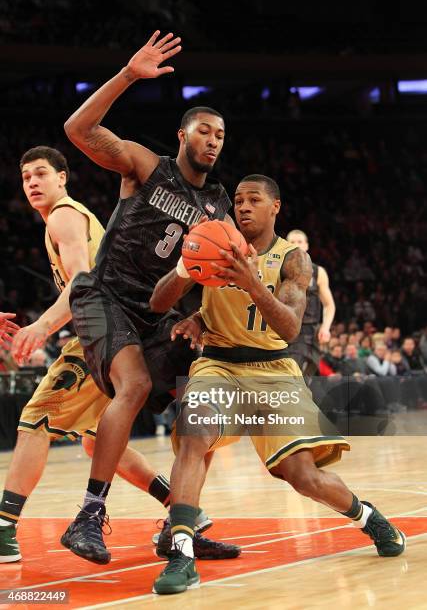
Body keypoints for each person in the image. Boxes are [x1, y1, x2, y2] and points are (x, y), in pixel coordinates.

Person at [149, 174, 405, 595]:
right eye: (238, 200)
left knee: (304, 478)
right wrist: (185, 277)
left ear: (275, 208)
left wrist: (250, 282)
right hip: (219, 365)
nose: (243, 206)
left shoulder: (293, 259)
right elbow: (159, 301)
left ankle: (367, 516)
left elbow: (288, 328)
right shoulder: (215, 241)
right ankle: (181, 552)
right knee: (195, 435)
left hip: (273, 371)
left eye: (254, 199)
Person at [0, 147, 236, 564]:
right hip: (127, 325)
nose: (32, 182)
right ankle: (185, 513)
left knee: (34, 422)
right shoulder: (67, 217)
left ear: (63, 178)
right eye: (25, 177)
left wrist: (41, 326)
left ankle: (3, 527)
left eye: (41, 174)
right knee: (99, 443)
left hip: (104, 328)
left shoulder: (63, 215)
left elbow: (80, 284)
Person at [61, 31, 235, 564]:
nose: (212, 140)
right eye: (204, 131)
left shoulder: (218, 206)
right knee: (132, 385)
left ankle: (179, 523)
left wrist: (202, 318)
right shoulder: (145, 165)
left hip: (160, 314)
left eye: (221, 135)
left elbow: (226, 273)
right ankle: (88, 516)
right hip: (106, 295)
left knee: (202, 403)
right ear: (182, 134)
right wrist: (128, 76)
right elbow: (78, 129)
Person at [285, 229, 336, 380]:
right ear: (286, 246)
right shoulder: (280, 270)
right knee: (289, 380)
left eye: (299, 241)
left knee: (301, 379)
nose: (296, 245)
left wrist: (326, 328)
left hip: (308, 333)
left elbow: (329, 305)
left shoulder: (318, 272)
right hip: (285, 330)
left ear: (306, 246)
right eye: (292, 242)